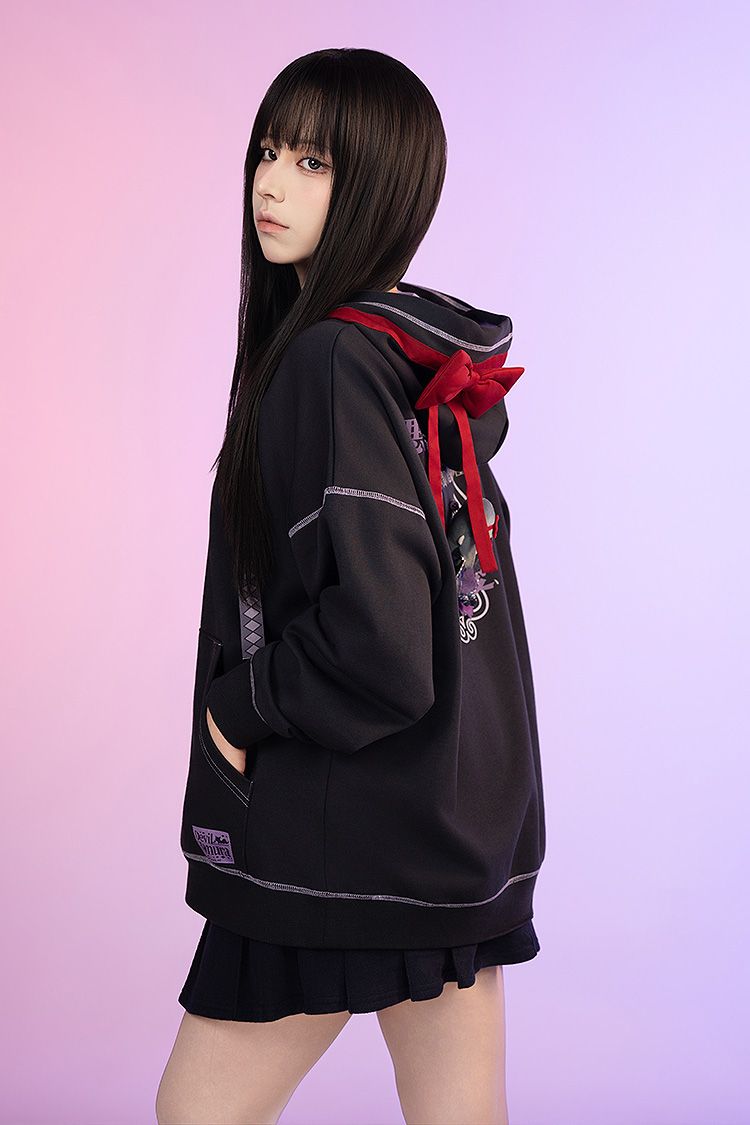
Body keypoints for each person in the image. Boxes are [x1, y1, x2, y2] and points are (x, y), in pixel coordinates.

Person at [156, 46, 546, 1125]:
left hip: (344, 842)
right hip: (456, 829)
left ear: (380, 185)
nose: (271, 185)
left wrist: (239, 708)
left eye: (314, 162)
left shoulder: (332, 359)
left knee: (196, 1114)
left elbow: (381, 643)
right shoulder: (406, 357)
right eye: (269, 151)